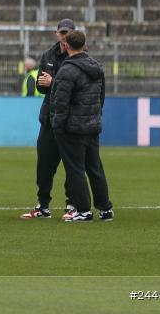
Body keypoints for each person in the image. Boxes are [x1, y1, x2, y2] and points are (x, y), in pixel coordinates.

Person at [51, 30, 113, 223]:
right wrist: (95, 116)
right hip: (92, 126)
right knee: (95, 168)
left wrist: (57, 126)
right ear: (84, 44)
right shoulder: (96, 67)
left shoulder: (67, 70)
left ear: (66, 45)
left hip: (73, 128)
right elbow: (101, 97)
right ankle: (105, 209)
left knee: (75, 170)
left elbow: (60, 103)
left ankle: (84, 210)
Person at [21, 19, 75, 220]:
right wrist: (47, 84)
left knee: (72, 165)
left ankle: (72, 204)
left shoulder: (79, 57)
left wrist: (54, 82)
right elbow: (42, 87)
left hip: (70, 120)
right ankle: (43, 205)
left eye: (68, 33)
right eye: (62, 33)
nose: (64, 36)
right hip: (49, 117)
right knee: (44, 164)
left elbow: (74, 88)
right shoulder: (48, 56)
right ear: (57, 34)